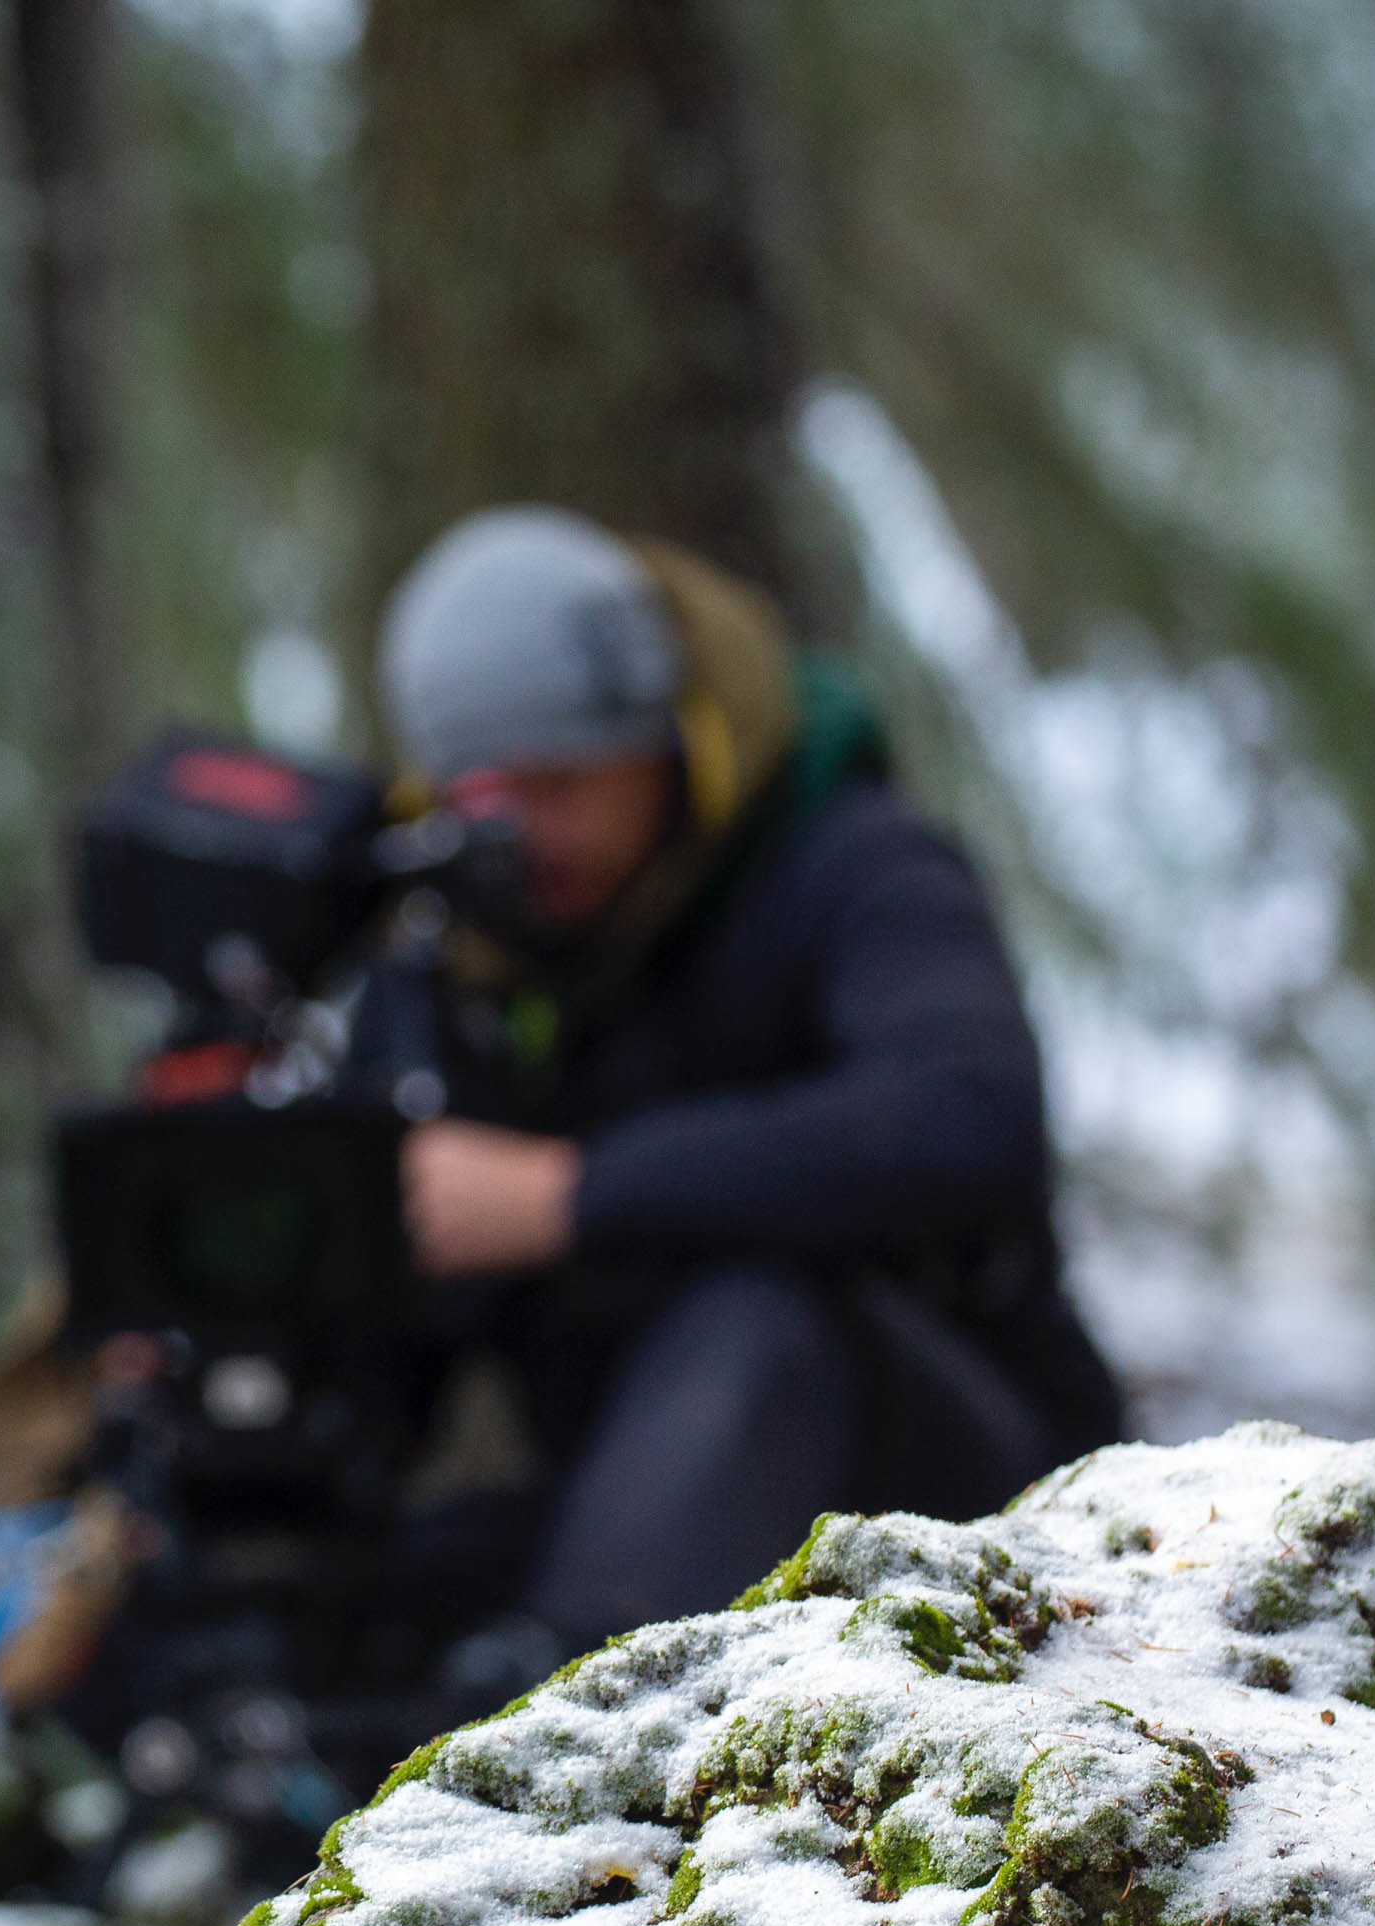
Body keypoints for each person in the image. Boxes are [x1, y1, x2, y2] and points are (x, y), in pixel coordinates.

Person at [336, 504, 1121, 1699]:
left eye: (558, 784)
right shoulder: (464, 972)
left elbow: (968, 1121)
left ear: (671, 744)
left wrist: (572, 1194)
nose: (518, 836)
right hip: (649, 1526)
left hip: (979, 1505)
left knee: (754, 1319)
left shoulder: (856, 867)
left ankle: (595, 1737)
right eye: (484, 799)